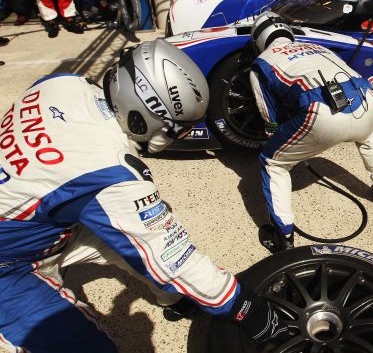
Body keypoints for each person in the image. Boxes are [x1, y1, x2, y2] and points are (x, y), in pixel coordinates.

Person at [0, 40, 288, 351]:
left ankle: (176, 298)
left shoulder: (63, 83)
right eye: (178, 129)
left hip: (26, 221)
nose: (178, 137)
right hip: (9, 264)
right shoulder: (109, 171)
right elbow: (174, 259)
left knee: (134, 232)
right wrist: (251, 311)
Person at [248, 12, 373, 254]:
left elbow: (269, 115)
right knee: (369, 136)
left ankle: (283, 235)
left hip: (321, 111)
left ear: (259, 39)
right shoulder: (317, 46)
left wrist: (279, 139)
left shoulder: (262, 63)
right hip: (366, 99)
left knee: (272, 162)